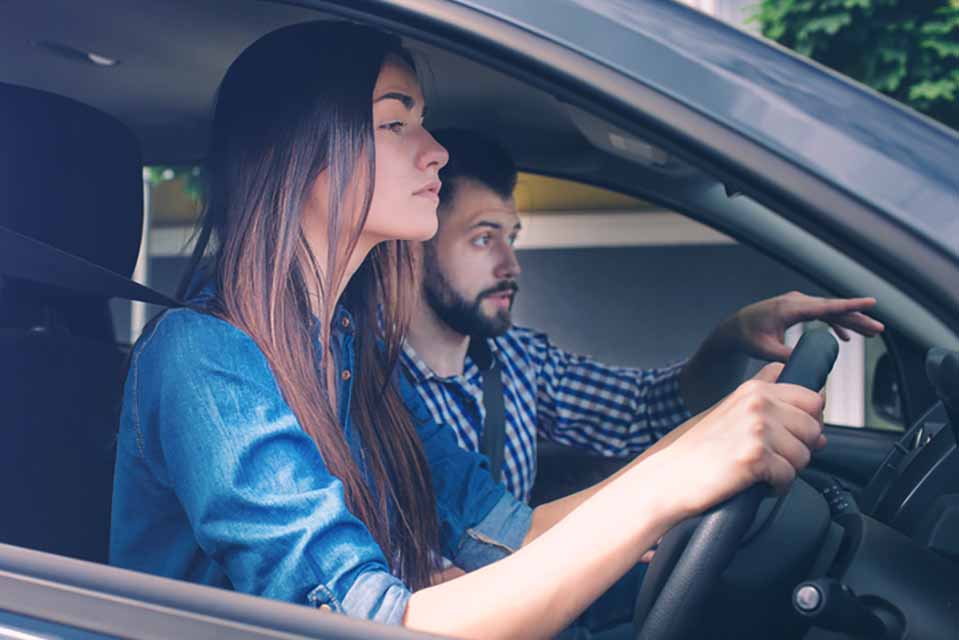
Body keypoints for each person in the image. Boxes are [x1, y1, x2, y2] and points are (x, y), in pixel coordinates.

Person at [110, 22, 828, 640]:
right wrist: (668, 481)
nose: (435, 151)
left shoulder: (352, 357)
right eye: (396, 122)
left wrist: (706, 446)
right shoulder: (204, 358)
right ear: (301, 155)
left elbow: (504, 534)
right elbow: (365, 627)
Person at [403, 128, 884, 503]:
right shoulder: (372, 387)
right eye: (484, 239)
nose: (511, 266)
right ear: (415, 245)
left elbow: (643, 412)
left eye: (513, 238)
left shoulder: (514, 359)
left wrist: (731, 337)